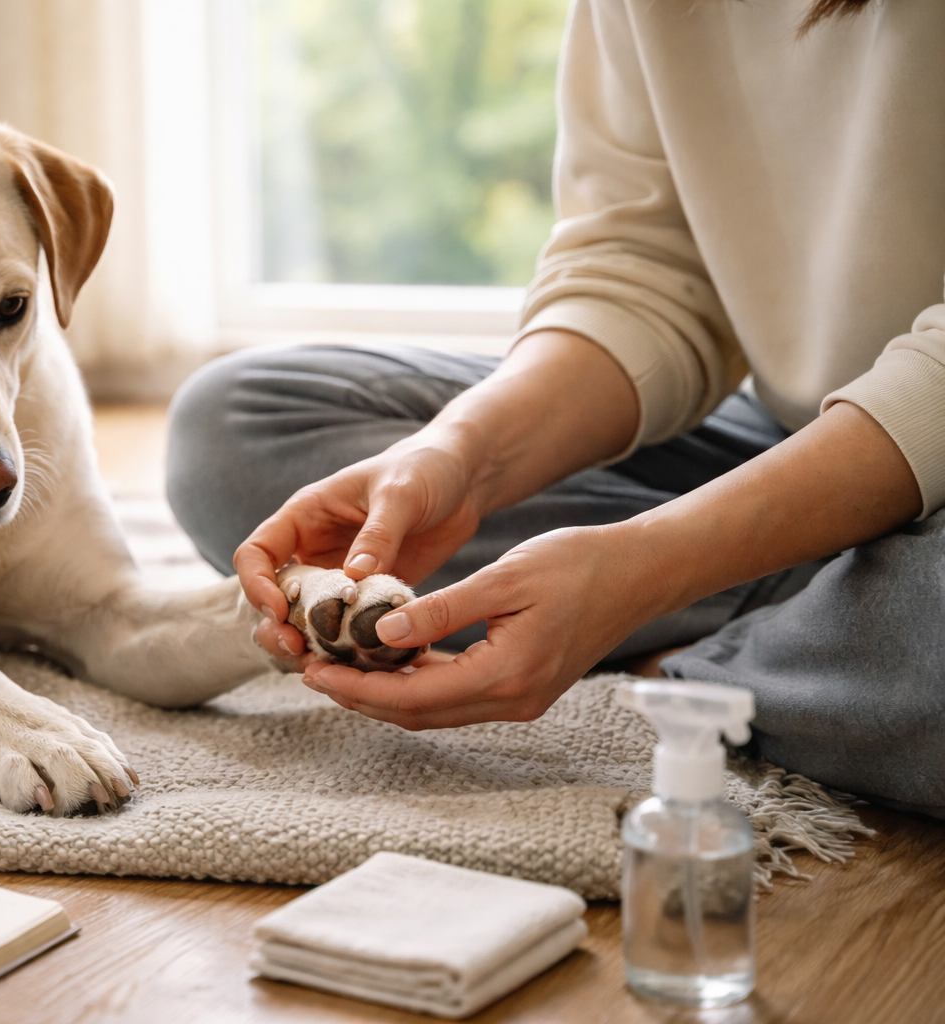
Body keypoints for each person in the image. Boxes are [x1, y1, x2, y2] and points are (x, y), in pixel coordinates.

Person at [166, 0, 945, 814]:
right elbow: (645, 265)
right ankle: (831, 643)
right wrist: (464, 454)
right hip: (803, 435)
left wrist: (648, 567)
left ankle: (686, 657)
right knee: (234, 427)